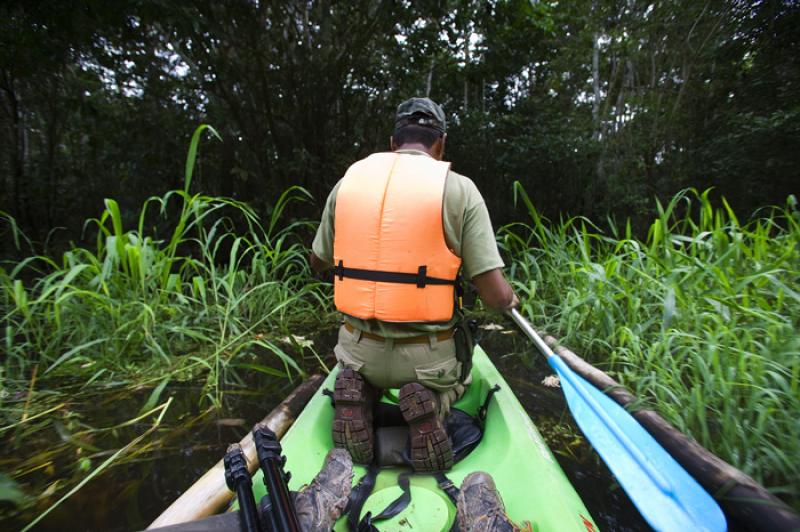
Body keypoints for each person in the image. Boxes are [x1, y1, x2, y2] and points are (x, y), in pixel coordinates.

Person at [310, 97, 518, 472]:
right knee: (464, 372)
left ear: (394, 143)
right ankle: (431, 405)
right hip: (428, 362)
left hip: (358, 351)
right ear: (440, 143)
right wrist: (511, 300)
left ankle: (363, 394)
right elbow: (494, 294)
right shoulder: (460, 189)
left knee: (361, 370)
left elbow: (317, 261)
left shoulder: (347, 184)